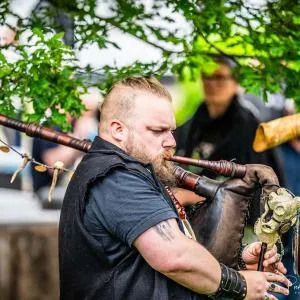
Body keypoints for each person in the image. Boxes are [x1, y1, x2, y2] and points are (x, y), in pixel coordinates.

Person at [59, 76, 291, 300]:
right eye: (158, 131)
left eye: (170, 130)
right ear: (118, 130)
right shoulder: (116, 178)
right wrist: (239, 284)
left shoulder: (135, 169)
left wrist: (237, 261)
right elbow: (176, 258)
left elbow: (175, 244)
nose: (171, 141)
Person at [174, 56, 286, 226]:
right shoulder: (191, 125)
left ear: (235, 83)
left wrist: (189, 196)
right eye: (207, 76)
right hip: (197, 220)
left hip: (239, 224)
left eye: (219, 77)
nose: (212, 83)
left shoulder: (249, 126)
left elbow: (250, 184)